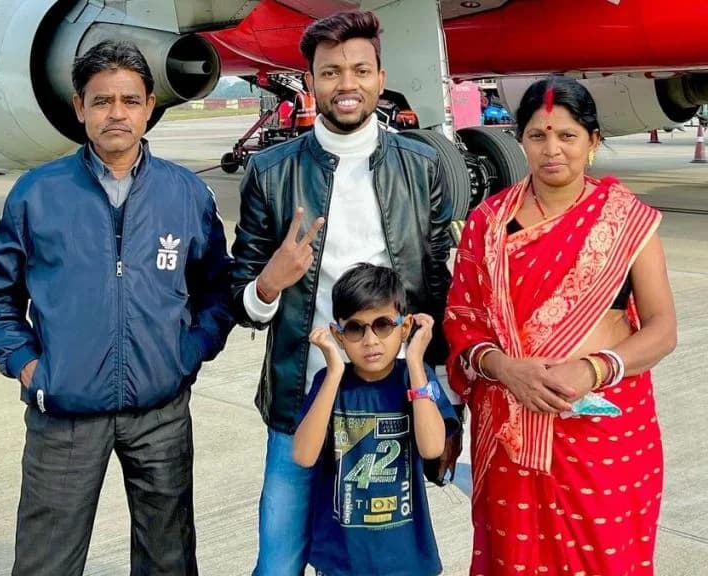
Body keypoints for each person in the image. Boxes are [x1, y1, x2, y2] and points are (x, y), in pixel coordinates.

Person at [0, 40, 234, 576]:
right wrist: (28, 365)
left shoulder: (185, 194)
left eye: (130, 101)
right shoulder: (37, 194)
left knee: (169, 561)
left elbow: (216, 291)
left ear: (150, 107)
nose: (117, 113)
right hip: (63, 416)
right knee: (46, 564)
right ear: (79, 108)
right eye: (102, 100)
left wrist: (189, 352)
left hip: (160, 415)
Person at [229, 10, 458, 575]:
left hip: (388, 404)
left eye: (360, 70)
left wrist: (440, 378)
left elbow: (434, 280)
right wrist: (270, 282)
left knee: (380, 559)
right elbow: (243, 297)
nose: (346, 84)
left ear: (381, 78)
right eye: (330, 73)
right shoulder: (270, 171)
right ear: (310, 83)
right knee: (278, 561)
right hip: (303, 395)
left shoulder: (421, 164)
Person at [444, 77, 677, 575]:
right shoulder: (487, 223)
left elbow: (661, 329)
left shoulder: (627, 221)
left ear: (592, 142)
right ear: (520, 140)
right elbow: (462, 321)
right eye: (537, 136)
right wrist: (506, 369)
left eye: (567, 136)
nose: (552, 150)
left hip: (604, 435)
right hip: (513, 432)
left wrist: (593, 369)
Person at [293, 263, 450, 576]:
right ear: (339, 336)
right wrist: (335, 372)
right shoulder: (330, 382)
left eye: (382, 325)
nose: (370, 340)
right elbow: (303, 455)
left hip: (405, 559)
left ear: (403, 329)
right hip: (342, 558)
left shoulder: (415, 378)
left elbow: (432, 447)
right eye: (355, 328)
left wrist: (416, 361)